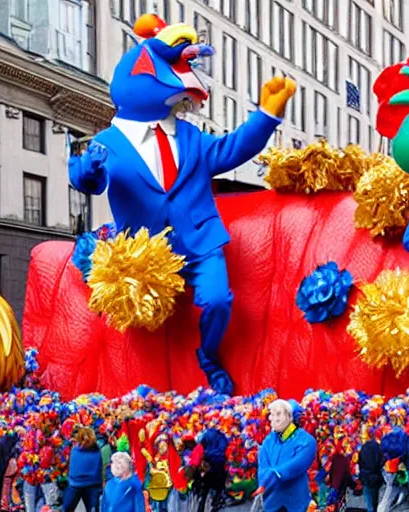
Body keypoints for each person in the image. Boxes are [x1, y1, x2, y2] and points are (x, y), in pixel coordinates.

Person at [68, 13, 295, 396]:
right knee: (144, 326)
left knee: (218, 301)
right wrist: (87, 168)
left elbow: (233, 148)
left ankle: (208, 357)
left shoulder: (190, 136)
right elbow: (86, 181)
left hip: (201, 243)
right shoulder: (108, 141)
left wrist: (267, 115)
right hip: (148, 254)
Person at [258, 399, 317, 512]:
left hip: (296, 502)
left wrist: (274, 474)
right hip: (272, 502)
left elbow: (297, 465)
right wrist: (265, 479)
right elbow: (263, 466)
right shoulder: (269, 440)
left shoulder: (306, 441)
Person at [63, 426, 104, 512]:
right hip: (83, 485)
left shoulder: (75, 450)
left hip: (84, 485)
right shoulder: (98, 449)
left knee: (67, 508)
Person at [358, 429, 384, 512]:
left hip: (365, 476)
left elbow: (360, 461)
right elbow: (381, 461)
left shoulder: (363, 447)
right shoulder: (378, 447)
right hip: (375, 476)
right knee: (375, 499)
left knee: (369, 501)